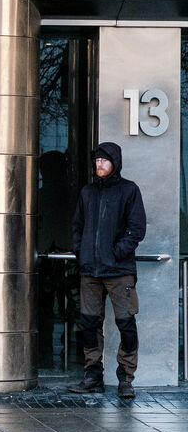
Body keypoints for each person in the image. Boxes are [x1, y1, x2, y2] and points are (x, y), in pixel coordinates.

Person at [67, 142, 146, 398]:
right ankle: (93, 376)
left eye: (104, 160)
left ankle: (126, 379)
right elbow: (78, 226)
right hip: (90, 271)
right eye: (97, 160)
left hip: (119, 271)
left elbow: (137, 229)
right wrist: (81, 252)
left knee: (126, 324)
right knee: (89, 324)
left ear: (115, 163)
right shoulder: (87, 192)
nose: (99, 164)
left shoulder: (129, 190)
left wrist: (115, 253)